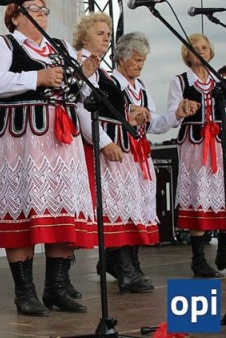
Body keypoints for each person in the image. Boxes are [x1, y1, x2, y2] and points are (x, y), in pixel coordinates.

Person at [0, 0, 100, 317]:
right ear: (15, 17)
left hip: (61, 140)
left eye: (44, 10)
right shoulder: (4, 44)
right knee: (23, 208)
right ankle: (25, 292)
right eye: (33, 9)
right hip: (19, 140)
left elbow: (75, 92)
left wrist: (83, 74)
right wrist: (37, 77)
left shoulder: (61, 47)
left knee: (61, 206)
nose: (42, 14)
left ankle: (56, 288)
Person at [78, 31, 196, 293]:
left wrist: (176, 114)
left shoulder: (140, 88)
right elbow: (86, 113)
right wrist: (105, 142)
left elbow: (154, 124)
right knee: (119, 209)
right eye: (136, 60)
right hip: (116, 157)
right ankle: (125, 269)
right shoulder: (107, 81)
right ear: (122, 57)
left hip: (138, 158)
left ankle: (124, 264)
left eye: (143, 60)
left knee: (136, 209)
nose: (140, 65)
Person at [167, 33, 226, 277]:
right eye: (195, 47)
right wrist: (182, 110)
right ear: (187, 55)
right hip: (195, 145)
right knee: (198, 194)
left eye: (204, 47)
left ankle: (223, 248)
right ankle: (199, 259)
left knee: (222, 191)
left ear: (211, 52)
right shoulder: (180, 81)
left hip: (220, 144)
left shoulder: (220, 81)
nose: (200, 50)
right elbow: (173, 115)